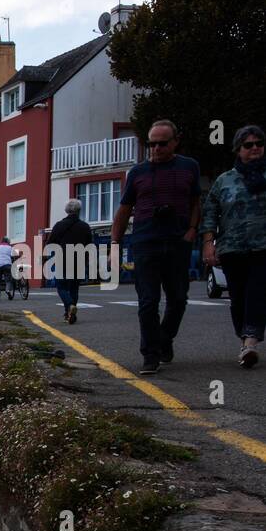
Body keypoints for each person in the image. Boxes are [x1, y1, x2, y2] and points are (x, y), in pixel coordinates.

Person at [112, 119, 203, 374]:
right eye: (151, 144)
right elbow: (124, 209)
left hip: (177, 242)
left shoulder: (189, 167)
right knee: (148, 302)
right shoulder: (138, 173)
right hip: (145, 242)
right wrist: (115, 244)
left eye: (162, 143)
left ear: (175, 141)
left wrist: (192, 230)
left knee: (178, 299)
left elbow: (196, 201)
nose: (156, 148)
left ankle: (165, 338)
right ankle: (150, 355)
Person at [200, 124, 266, 369]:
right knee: (238, 297)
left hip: (263, 247)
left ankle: (251, 341)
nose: (255, 149)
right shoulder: (224, 181)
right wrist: (209, 244)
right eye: (248, 145)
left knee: (258, 293)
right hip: (232, 248)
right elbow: (210, 214)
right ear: (238, 149)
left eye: (259, 143)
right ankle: (244, 339)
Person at [46, 199, 95, 323]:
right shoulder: (85, 226)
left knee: (61, 286)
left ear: (67, 211)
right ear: (79, 210)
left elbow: (51, 243)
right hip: (79, 259)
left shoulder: (59, 225)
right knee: (74, 287)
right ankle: (69, 313)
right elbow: (90, 245)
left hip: (62, 258)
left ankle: (69, 306)